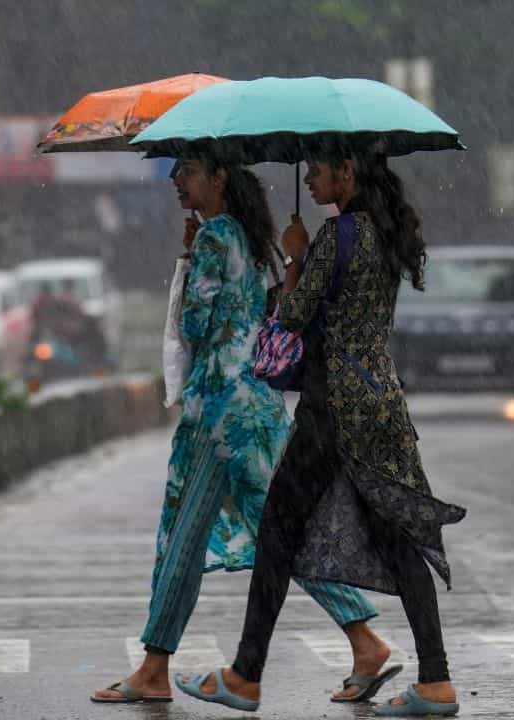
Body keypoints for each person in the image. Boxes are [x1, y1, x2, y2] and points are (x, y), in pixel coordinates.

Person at [174, 148, 466, 717]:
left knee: (278, 533)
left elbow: (292, 316)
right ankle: (435, 680)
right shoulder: (386, 233)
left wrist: (296, 259)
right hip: (380, 400)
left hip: (331, 409)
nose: (309, 177)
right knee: (397, 536)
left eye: (318, 169)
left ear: (348, 171)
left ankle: (246, 675)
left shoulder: (339, 236)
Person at [92, 156, 391, 705]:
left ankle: (363, 639)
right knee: (231, 534)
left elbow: (196, 326)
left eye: (187, 170)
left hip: (220, 413)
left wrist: (187, 257)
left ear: (219, 176)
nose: (175, 180)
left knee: (225, 536)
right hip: (251, 404)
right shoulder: (254, 238)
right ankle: (158, 664)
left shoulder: (214, 237)